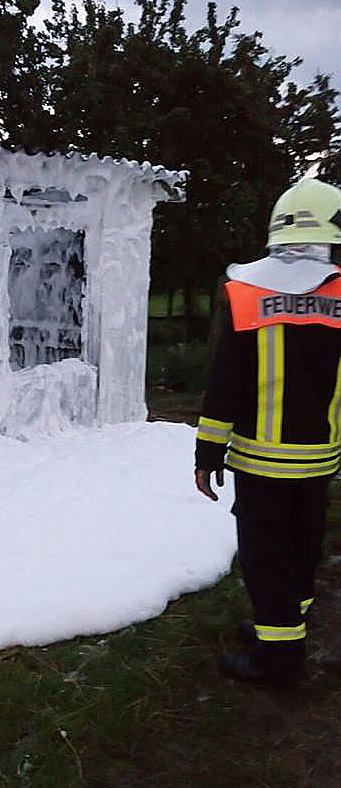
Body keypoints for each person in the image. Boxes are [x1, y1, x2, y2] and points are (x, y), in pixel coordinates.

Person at [195, 178, 341, 686]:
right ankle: (284, 621)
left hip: (262, 460)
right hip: (320, 457)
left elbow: (225, 383)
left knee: (265, 552)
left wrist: (208, 452)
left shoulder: (245, 293)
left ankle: (278, 657)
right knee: (302, 544)